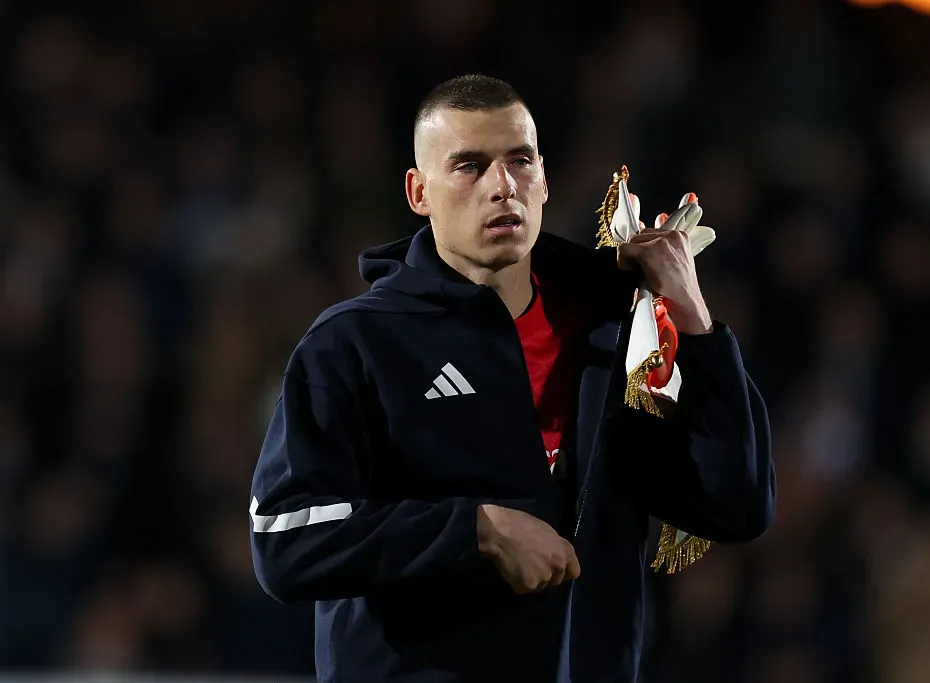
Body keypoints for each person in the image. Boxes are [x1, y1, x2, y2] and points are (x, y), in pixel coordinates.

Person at [249, 74, 775, 683]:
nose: (503, 187)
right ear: (419, 192)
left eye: (519, 161)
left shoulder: (607, 331)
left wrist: (696, 323)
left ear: (544, 179)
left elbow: (737, 504)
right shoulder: (356, 344)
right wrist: (476, 531)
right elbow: (284, 541)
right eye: (469, 166)